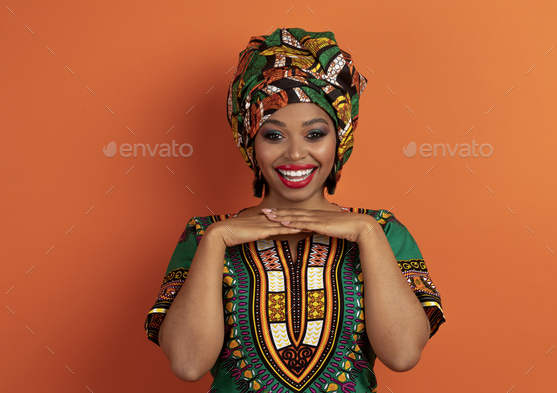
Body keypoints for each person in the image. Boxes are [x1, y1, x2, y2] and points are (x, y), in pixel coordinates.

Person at [144, 27, 445, 392]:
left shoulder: (381, 230)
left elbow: (402, 355)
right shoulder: (204, 235)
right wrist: (216, 240)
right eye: (273, 135)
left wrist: (366, 234)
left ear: (341, 138)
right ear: (249, 141)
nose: (295, 154)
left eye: (315, 134)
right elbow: (189, 364)